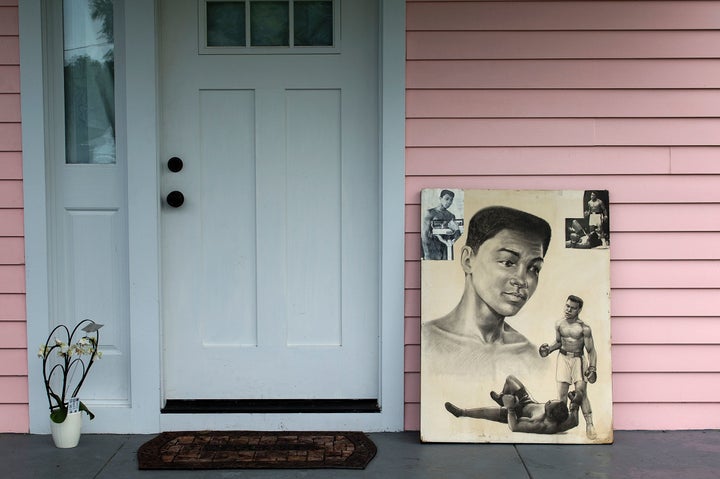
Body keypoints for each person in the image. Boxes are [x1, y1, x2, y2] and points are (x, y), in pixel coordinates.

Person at [422, 206, 552, 381]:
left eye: (534, 268)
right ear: (468, 260)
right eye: (508, 262)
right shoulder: (424, 342)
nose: (522, 280)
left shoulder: (533, 358)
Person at [539, 295, 598, 439]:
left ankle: (589, 424)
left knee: (581, 393)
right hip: (563, 358)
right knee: (561, 396)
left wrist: (592, 368)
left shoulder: (585, 328)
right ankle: (561, 425)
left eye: (572, 308)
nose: (568, 310)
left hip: (578, 359)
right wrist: (548, 350)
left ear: (579, 310)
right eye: (567, 306)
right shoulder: (559, 324)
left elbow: (591, 350)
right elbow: (559, 342)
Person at [444, 375, 582, 434]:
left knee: (488, 412)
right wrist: (574, 401)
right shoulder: (568, 419)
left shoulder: (540, 424)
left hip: (517, 413)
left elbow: (514, 427)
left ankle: (461, 412)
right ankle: (502, 397)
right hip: (528, 403)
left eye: (549, 403)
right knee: (510, 379)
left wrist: (510, 409)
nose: (550, 400)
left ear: (550, 414)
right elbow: (575, 419)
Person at [421, 189, 462, 260]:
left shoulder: (451, 216)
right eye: (447, 199)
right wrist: (427, 254)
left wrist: (456, 230)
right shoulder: (430, 213)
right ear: (440, 199)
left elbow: (455, 236)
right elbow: (424, 236)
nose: (449, 202)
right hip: (432, 248)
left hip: (446, 249)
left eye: (451, 200)